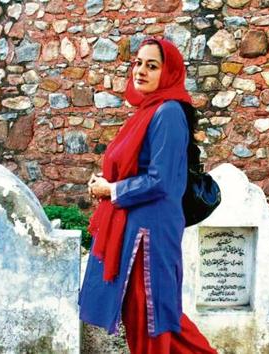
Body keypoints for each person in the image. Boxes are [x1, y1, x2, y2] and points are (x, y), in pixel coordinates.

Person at [78, 37, 218, 354]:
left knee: (155, 320)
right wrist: (106, 182)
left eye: (151, 65)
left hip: (150, 235)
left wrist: (111, 189)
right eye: (138, 63)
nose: (140, 70)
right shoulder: (148, 111)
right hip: (138, 227)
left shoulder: (168, 112)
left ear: (168, 73)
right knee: (151, 320)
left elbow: (162, 181)